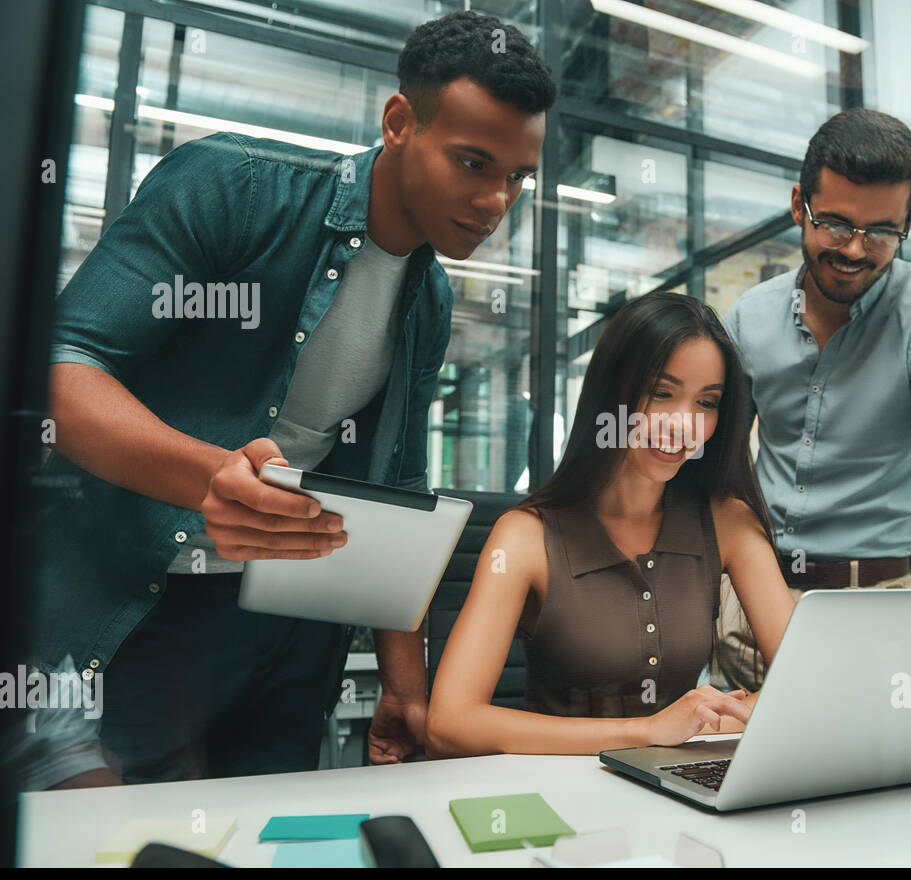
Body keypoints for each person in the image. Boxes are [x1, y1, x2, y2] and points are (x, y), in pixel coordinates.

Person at [31, 11, 554, 783]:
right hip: (143, 600)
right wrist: (210, 478)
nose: (495, 202)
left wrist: (405, 685)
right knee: (118, 853)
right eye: (473, 163)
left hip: (289, 637)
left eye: (517, 177)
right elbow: (63, 368)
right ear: (400, 122)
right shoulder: (233, 187)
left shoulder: (430, 299)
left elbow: (396, 494)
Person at [714, 108, 911, 692]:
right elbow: (713, 470)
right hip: (751, 606)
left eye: (880, 232)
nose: (853, 248)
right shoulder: (750, 318)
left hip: (877, 612)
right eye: (834, 223)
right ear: (799, 204)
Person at [426, 292, 796, 756]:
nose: (683, 425)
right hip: (555, 797)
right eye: (661, 393)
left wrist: (703, 721)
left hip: (677, 788)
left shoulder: (728, 522)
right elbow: (449, 723)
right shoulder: (524, 537)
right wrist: (645, 731)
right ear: (610, 393)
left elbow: (804, 685)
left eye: (706, 402)